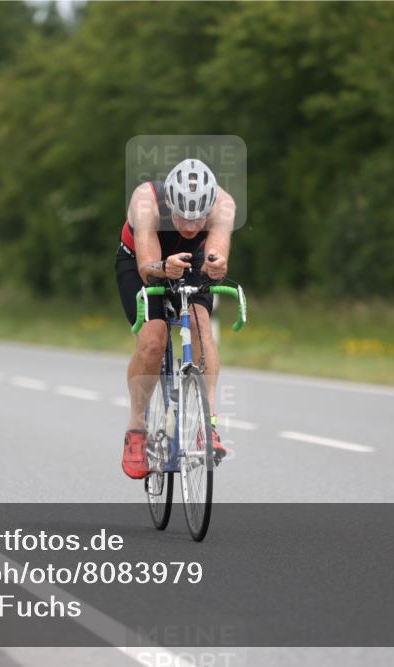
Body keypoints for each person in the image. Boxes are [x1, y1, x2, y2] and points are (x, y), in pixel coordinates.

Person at [115, 158, 236, 479]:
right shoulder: (146, 201)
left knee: (200, 325)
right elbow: (147, 267)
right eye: (183, 216)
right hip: (141, 261)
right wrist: (162, 268)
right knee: (153, 341)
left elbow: (216, 254)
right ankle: (136, 429)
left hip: (190, 260)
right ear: (169, 202)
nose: (191, 227)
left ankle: (208, 427)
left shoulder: (223, 205)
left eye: (199, 218)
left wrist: (216, 266)